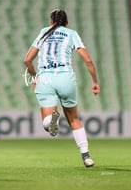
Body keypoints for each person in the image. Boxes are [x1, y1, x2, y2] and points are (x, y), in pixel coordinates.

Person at [24, 9, 100, 167]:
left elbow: (27, 60)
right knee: (74, 119)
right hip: (65, 77)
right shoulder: (71, 33)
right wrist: (94, 82)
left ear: (51, 21)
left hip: (45, 78)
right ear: (66, 22)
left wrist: (34, 77)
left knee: (47, 123)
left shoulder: (44, 32)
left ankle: (50, 121)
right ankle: (86, 156)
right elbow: (88, 61)